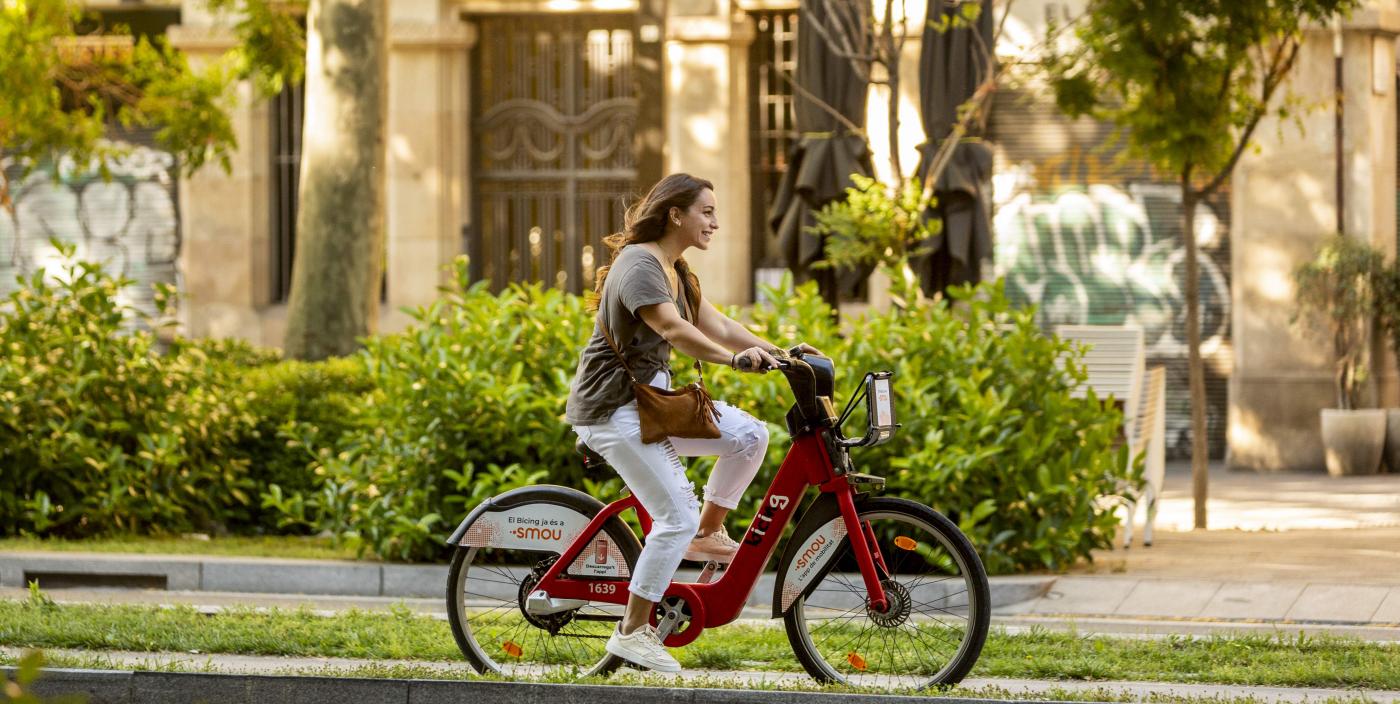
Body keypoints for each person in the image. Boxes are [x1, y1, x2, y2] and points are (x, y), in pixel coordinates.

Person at [565, 173, 818, 673]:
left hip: (653, 404)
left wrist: (778, 352)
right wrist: (733, 362)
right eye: (707, 212)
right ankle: (632, 633)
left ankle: (706, 534)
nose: (716, 223)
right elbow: (671, 327)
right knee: (673, 515)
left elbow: (717, 324)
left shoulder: (675, 268)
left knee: (749, 435)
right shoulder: (639, 263)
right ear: (675, 214)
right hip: (613, 410)